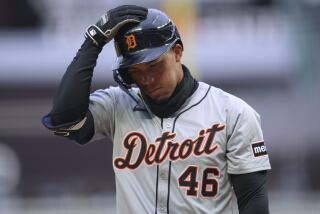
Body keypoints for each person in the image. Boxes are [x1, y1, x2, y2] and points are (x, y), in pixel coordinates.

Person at [42, 5, 271, 214]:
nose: (147, 78)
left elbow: (253, 198)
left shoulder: (233, 113)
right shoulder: (118, 105)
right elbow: (65, 120)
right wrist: (92, 42)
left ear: (178, 52)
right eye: (136, 71)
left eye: (154, 65)